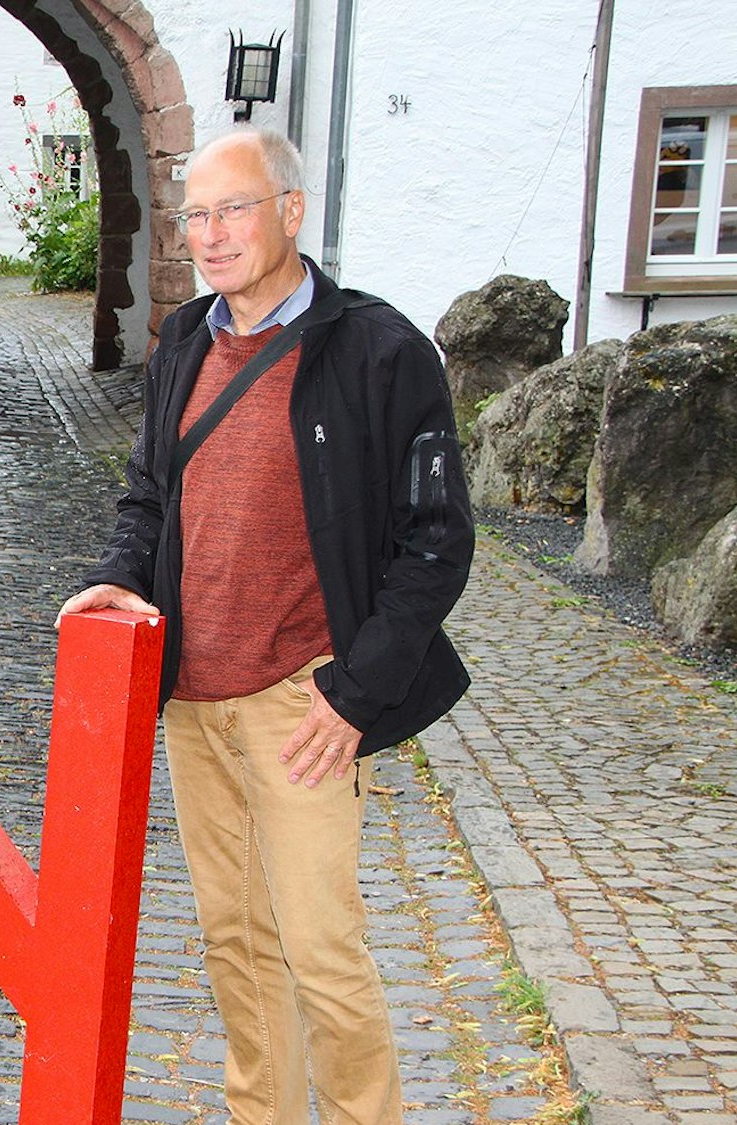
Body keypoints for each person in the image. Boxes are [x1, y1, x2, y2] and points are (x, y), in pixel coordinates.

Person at [58, 128, 472, 1125]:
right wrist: (119, 576)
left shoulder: (379, 352)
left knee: (319, 951)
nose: (209, 234)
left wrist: (352, 693)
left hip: (303, 699)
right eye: (194, 215)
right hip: (195, 699)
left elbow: (435, 542)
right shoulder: (185, 343)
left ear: (289, 211)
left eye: (232, 208)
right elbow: (148, 495)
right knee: (235, 945)